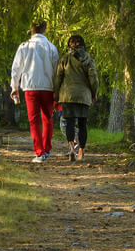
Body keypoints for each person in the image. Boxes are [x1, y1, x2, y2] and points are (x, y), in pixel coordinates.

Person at [10, 20, 60, 163]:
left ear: (31, 30)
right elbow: (57, 70)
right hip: (48, 88)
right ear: (45, 30)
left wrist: (14, 87)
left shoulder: (24, 46)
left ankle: (39, 152)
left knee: (34, 120)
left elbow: (16, 69)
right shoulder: (51, 47)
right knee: (47, 119)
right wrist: (57, 89)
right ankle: (47, 148)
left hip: (30, 88)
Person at [51, 33, 99, 162]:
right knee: (82, 124)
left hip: (67, 95)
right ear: (83, 45)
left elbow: (58, 78)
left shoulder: (64, 58)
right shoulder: (89, 59)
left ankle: (71, 147)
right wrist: (94, 93)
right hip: (84, 96)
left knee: (70, 123)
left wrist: (56, 93)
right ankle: (81, 151)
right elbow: (93, 79)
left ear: (69, 45)